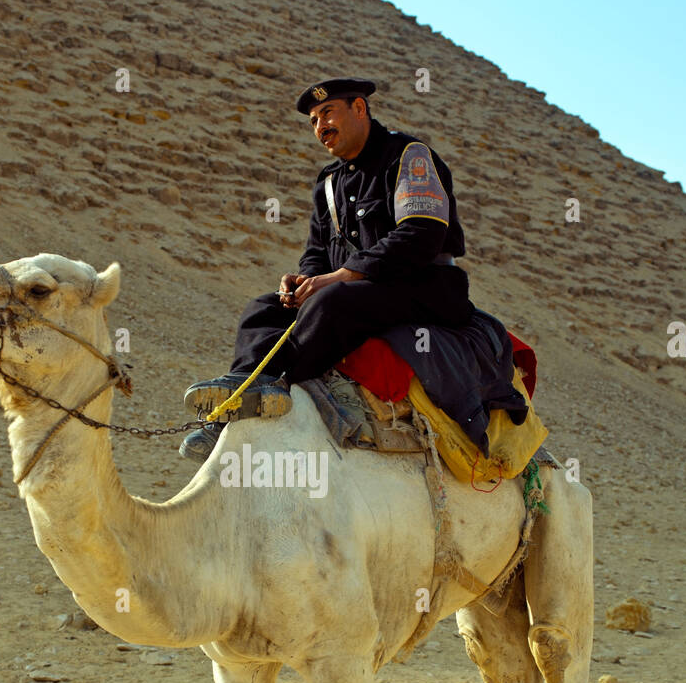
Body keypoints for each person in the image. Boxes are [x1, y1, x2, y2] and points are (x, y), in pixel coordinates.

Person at [180, 77, 473, 460]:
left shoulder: (409, 156)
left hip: (422, 286)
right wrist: (302, 280)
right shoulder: (330, 183)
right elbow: (318, 250)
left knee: (332, 302)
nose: (321, 127)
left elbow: (423, 231)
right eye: (314, 120)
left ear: (360, 108)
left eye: (328, 113)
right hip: (359, 291)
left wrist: (343, 275)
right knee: (264, 309)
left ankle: (275, 386)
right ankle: (243, 393)